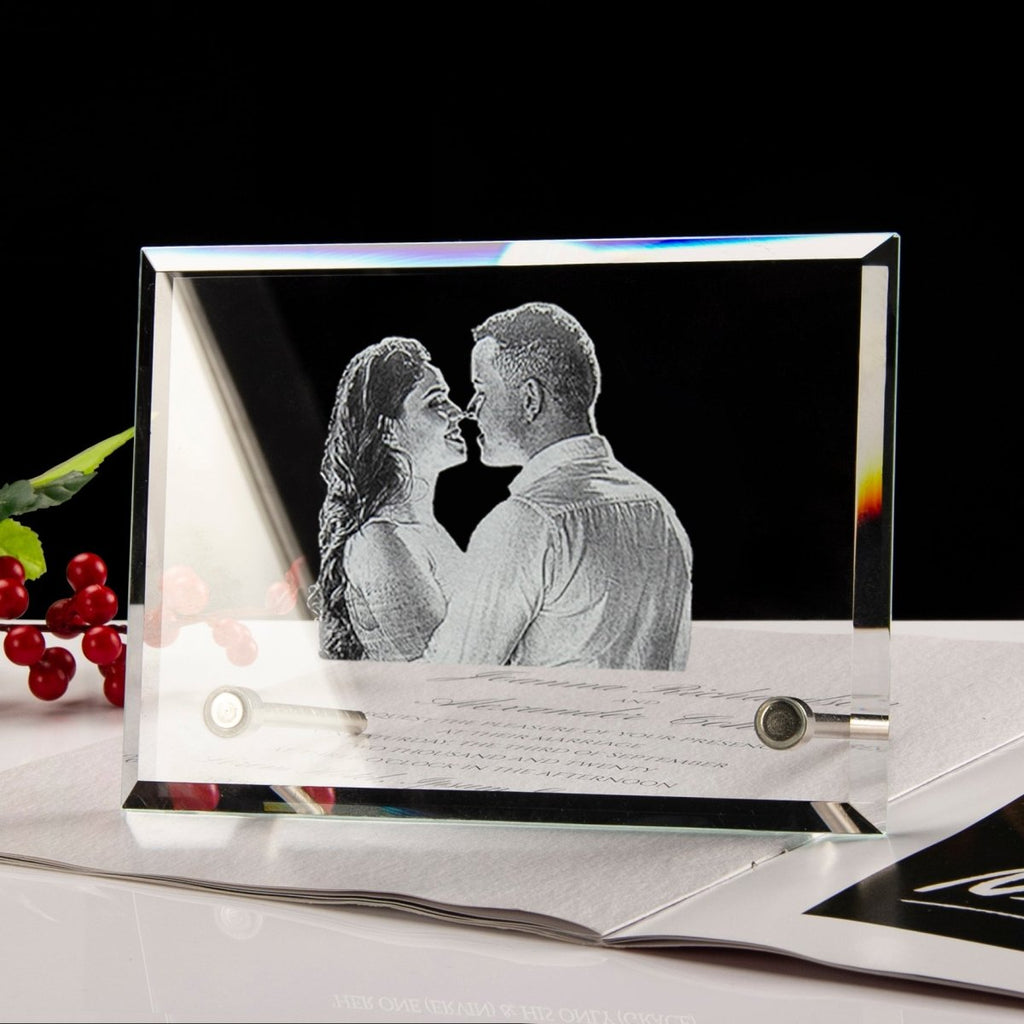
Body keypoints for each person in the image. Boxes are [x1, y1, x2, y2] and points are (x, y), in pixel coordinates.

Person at [424, 302, 693, 671]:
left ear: (530, 400)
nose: (471, 409)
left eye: (480, 389)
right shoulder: (660, 511)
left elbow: (446, 676)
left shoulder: (524, 524)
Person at [308, 337, 467, 661]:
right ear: (388, 430)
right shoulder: (379, 541)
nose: (457, 412)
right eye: (436, 402)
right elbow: (449, 671)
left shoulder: (423, 530)